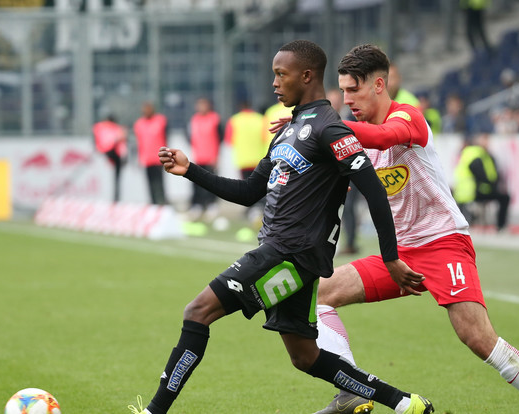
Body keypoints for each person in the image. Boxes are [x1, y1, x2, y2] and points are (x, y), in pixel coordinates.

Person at [128, 40, 434, 414]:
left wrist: (390, 259)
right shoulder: (288, 130)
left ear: (306, 76)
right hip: (292, 255)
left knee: (198, 312)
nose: (274, 83)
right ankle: (404, 403)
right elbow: (248, 192)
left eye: (280, 74)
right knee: (305, 356)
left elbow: (373, 192)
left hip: (289, 252)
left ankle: (153, 411)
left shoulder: (330, 129)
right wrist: (191, 170)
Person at [310, 44, 519, 414]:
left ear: (379, 84)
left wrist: (323, 127)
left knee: (477, 337)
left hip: (443, 243)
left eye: (354, 90)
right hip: (399, 254)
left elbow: (384, 138)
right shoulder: (358, 137)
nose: (346, 98)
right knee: (320, 294)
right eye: (344, 91)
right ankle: (351, 389)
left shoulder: (408, 117)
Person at [328, 88, 362, 255]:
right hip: (331, 174)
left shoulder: (351, 119)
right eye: (331, 100)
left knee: (348, 208)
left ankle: (350, 243)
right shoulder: (323, 121)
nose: (334, 103)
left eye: (336, 100)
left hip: (351, 172)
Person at [453, 134, 510, 232]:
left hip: (466, 192)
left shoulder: (471, 153)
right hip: (475, 191)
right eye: (485, 140)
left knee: (503, 196)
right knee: (504, 197)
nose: (487, 143)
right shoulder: (477, 155)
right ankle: (501, 226)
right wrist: (491, 184)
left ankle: (499, 226)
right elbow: (481, 175)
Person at [224, 100, 267, 222]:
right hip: (259, 158)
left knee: (247, 186)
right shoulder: (260, 119)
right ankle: (261, 207)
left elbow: (229, 141)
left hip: (243, 159)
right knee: (261, 186)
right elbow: (265, 137)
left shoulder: (234, 120)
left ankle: (251, 209)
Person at [188, 97, 222, 220]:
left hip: (211, 157)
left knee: (211, 182)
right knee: (196, 183)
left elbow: (220, 137)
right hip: (198, 157)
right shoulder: (194, 120)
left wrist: (216, 156)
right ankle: (197, 206)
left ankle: (212, 205)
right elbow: (190, 137)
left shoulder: (214, 119)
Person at [133, 101, 168, 205]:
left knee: (159, 183)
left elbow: (166, 137)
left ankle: (162, 202)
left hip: (159, 157)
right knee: (150, 183)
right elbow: (139, 142)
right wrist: (140, 157)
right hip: (147, 159)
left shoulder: (160, 121)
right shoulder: (139, 124)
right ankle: (153, 203)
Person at [92, 114, 127, 202]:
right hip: (112, 156)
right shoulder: (117, 129)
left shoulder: (99, 128)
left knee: (113, 179)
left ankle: (115, 198)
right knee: (114, 179)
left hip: (110, 155)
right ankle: (115, 198)